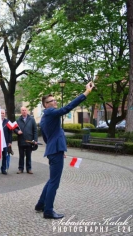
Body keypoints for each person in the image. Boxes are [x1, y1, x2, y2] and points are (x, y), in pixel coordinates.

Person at [35, 82, 94, 219]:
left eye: (55, 100)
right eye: (51, 101)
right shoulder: (50, 113)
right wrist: (86, 93)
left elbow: (48, 137)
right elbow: (67, 108)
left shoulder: (46, 118)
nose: (55, 102)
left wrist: (60, 148)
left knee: (51, 180)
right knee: (54, 182)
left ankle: (40, 205)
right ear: (46, 105)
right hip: (55, 152)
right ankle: (48, 211)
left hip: (54, 151)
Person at [15, 107, 38, 174]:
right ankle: (20, 169)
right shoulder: (18, 120)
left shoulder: (31, 119)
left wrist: (35, 139)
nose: (24, 111)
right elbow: (14, 128)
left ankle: (29, 169)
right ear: (21, 111)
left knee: (28, 156)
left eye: (25, 110)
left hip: (29, 141)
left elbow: (35, 130)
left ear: (27, 111)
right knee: (21, 156)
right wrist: (17, 131)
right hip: (21, 140)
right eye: (23, 110)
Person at [0, 109, 13, 175]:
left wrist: (10, 142)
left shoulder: (7, 122)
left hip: (5, 142)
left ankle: (3, 169)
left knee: (4, 156)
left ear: (5, 114)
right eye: (1, 113)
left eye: (3, 113)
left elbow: (10, 132)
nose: (2, 114)